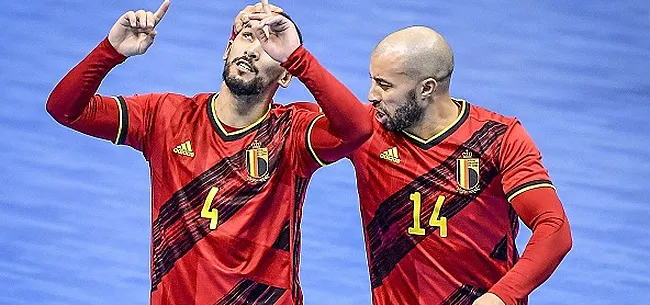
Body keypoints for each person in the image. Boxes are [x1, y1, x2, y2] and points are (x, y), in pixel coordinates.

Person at [45, 1, 372, 304]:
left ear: (287, 73)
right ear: (228, 49)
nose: (253, 50)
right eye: (246, 37)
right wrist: (111, 50)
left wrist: (299, 58)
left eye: (269, 45)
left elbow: (357, 128)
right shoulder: (165, 117)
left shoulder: (294, 132)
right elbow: (65, 109)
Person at [346, 26, 572, 305]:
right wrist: (291, 54)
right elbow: (291, 118)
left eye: (385, 84)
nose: (371, 95)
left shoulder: (499, 138)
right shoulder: (366, 131)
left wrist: (501, 297)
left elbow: (554, 228)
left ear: (426, 88)